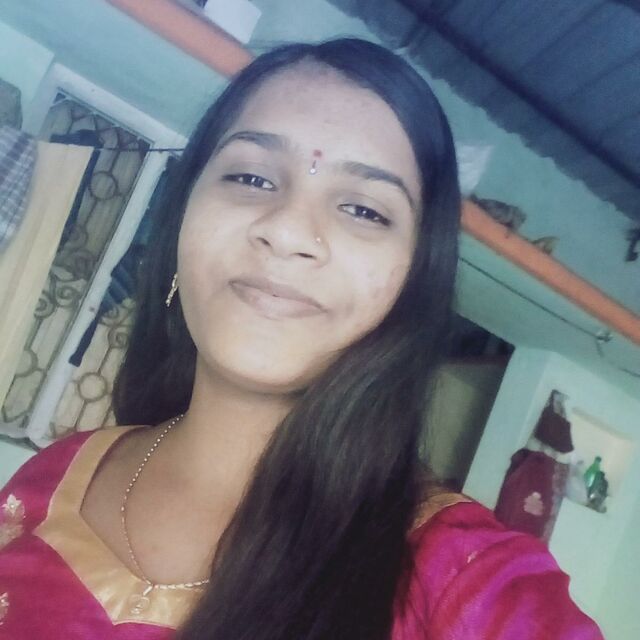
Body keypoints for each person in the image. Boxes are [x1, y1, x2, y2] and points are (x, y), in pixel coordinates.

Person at [0, 38, 603, 639]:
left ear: (413, 281)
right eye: (251, 177)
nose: (288, 231)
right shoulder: (56, 476)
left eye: (365, 211)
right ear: (182, 216)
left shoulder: (464, 581)